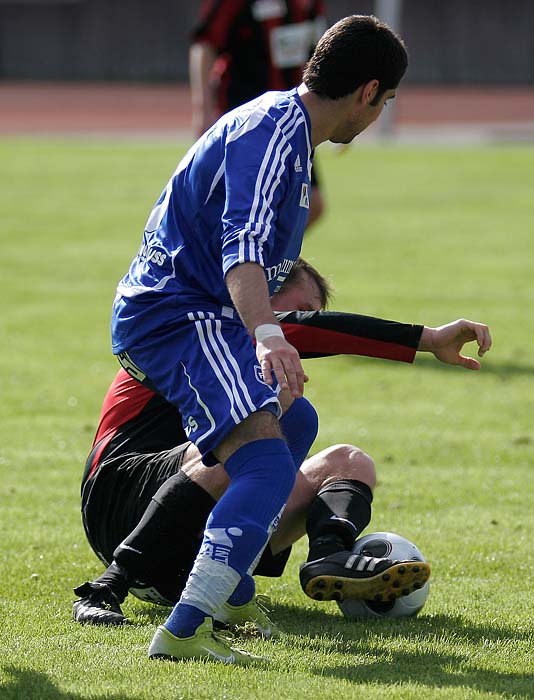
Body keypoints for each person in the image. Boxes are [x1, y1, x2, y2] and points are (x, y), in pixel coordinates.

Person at [110, 15, 423, 664]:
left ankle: (229, 593)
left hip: (193, 312)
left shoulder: (283, 128)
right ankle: (183, 631)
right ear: (368, 92)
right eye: (386, 101)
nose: (379, 114)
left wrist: (424, 338)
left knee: (294, 419)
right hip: (179, 315)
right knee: (265, 458)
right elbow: (242, 249)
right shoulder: (276, 133)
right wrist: (267, 333)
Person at [78, 259, 491, 650]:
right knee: (261, 426)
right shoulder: (205, 330)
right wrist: (428, 338)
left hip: (189, 532)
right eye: (301, 307)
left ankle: (330, 555)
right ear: (260, 292)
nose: (304, 319)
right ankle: (109, 584)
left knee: (348, 461)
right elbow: (314, 330)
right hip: (119, 499)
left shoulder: (249, 367)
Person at [189, 0, 327, 226]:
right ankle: (237, 257)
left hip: (292, 119)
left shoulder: (310, 5)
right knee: (247, 207)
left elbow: (315, 52)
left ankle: (256, 258)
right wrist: (202, 110)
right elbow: (204, 44)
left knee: (310, 204)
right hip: (247, 120)